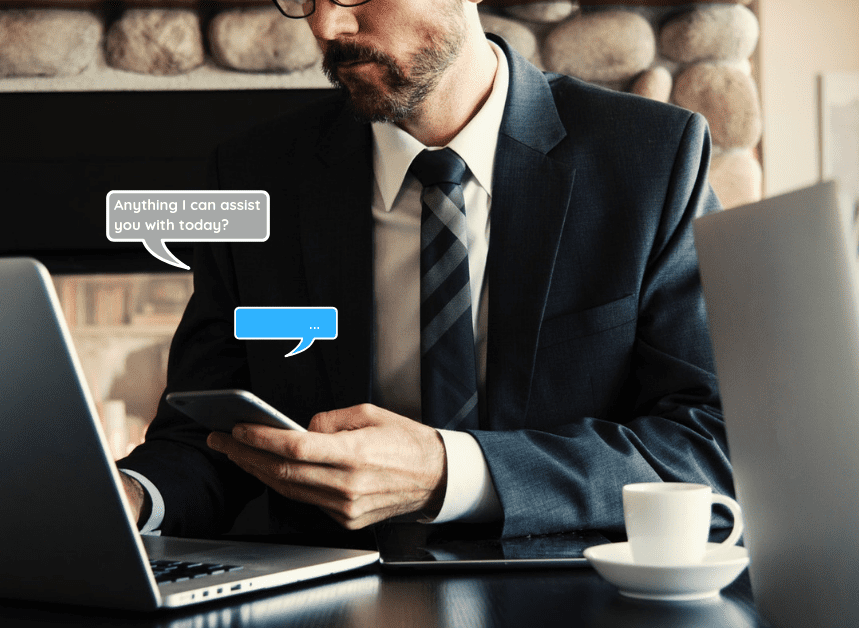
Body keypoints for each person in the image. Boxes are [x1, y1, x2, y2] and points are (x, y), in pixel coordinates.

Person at [115, 0, 731, 542]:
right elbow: (205, 437)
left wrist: (450, 473)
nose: (327, 24)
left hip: (572, 599)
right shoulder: (253, 176)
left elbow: (709, 446)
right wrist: (133, 498)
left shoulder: (653, 160)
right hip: (327, 603)